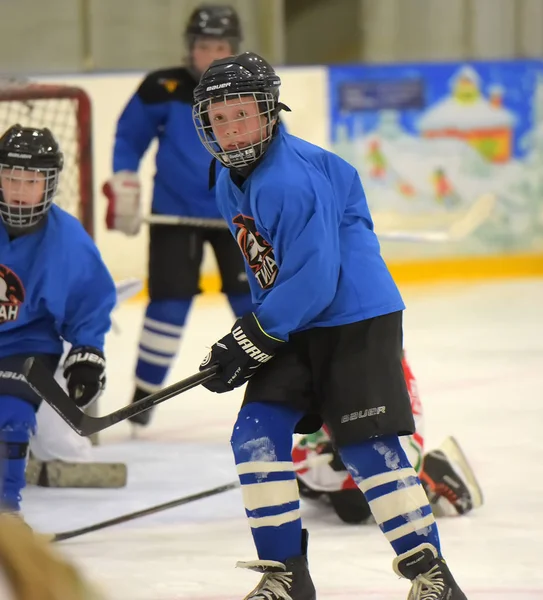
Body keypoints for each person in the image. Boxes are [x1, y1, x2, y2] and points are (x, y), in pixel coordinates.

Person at [192, 52, 468, 599]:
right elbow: (269, 268)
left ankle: (432, 578)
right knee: (254, 436)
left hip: (353, 318)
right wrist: (250, 337)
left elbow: (316, 279)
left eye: (241, 114)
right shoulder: (228, 179)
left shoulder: (288, 180)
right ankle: (285, 578)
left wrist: (255, 334)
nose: (230, 129)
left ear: (269, 114)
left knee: (365, 447)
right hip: (299, 319)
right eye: (219, 118)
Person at [103, 4, 253, 428]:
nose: (212, 55)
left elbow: (273, 145)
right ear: (190, 48)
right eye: (204, 46)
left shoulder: (250, 88)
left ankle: (279, 386)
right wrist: (125, 182)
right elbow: (129, 136)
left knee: (252, 304)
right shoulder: (162, 86)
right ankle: (144, 397)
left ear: (234, 48)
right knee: (167, 304)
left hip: (238, 215)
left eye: (221, 46)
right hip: (174, 214)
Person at [0, 124, 116, 513]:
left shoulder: (68, 241)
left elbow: (88, 304)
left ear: (49, 184)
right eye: (10, 178)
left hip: (25, 346)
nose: (18, 190)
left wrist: (87, 352)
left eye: (30, 181)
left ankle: (6, 515)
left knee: (12, 418)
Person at [293, 353, 484, 523]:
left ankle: (428, 473)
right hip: (351, 395)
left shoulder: (378, 370)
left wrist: (349, 449)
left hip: (385, 419)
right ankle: (348, 483)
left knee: (354, 507)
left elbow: (390, 428)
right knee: (300, 479)